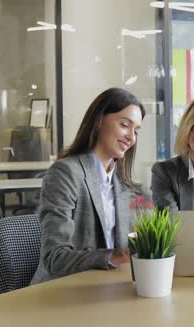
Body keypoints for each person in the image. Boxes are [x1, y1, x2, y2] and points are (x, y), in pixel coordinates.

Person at [31, 88, 145, 284]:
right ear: (100, 120)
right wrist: (114, 256)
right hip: (62, 291)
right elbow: (54, 257)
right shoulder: (65, 173)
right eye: (125, 125)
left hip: (108, 287)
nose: (131, 138)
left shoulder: (124, 185)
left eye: (136, 131)